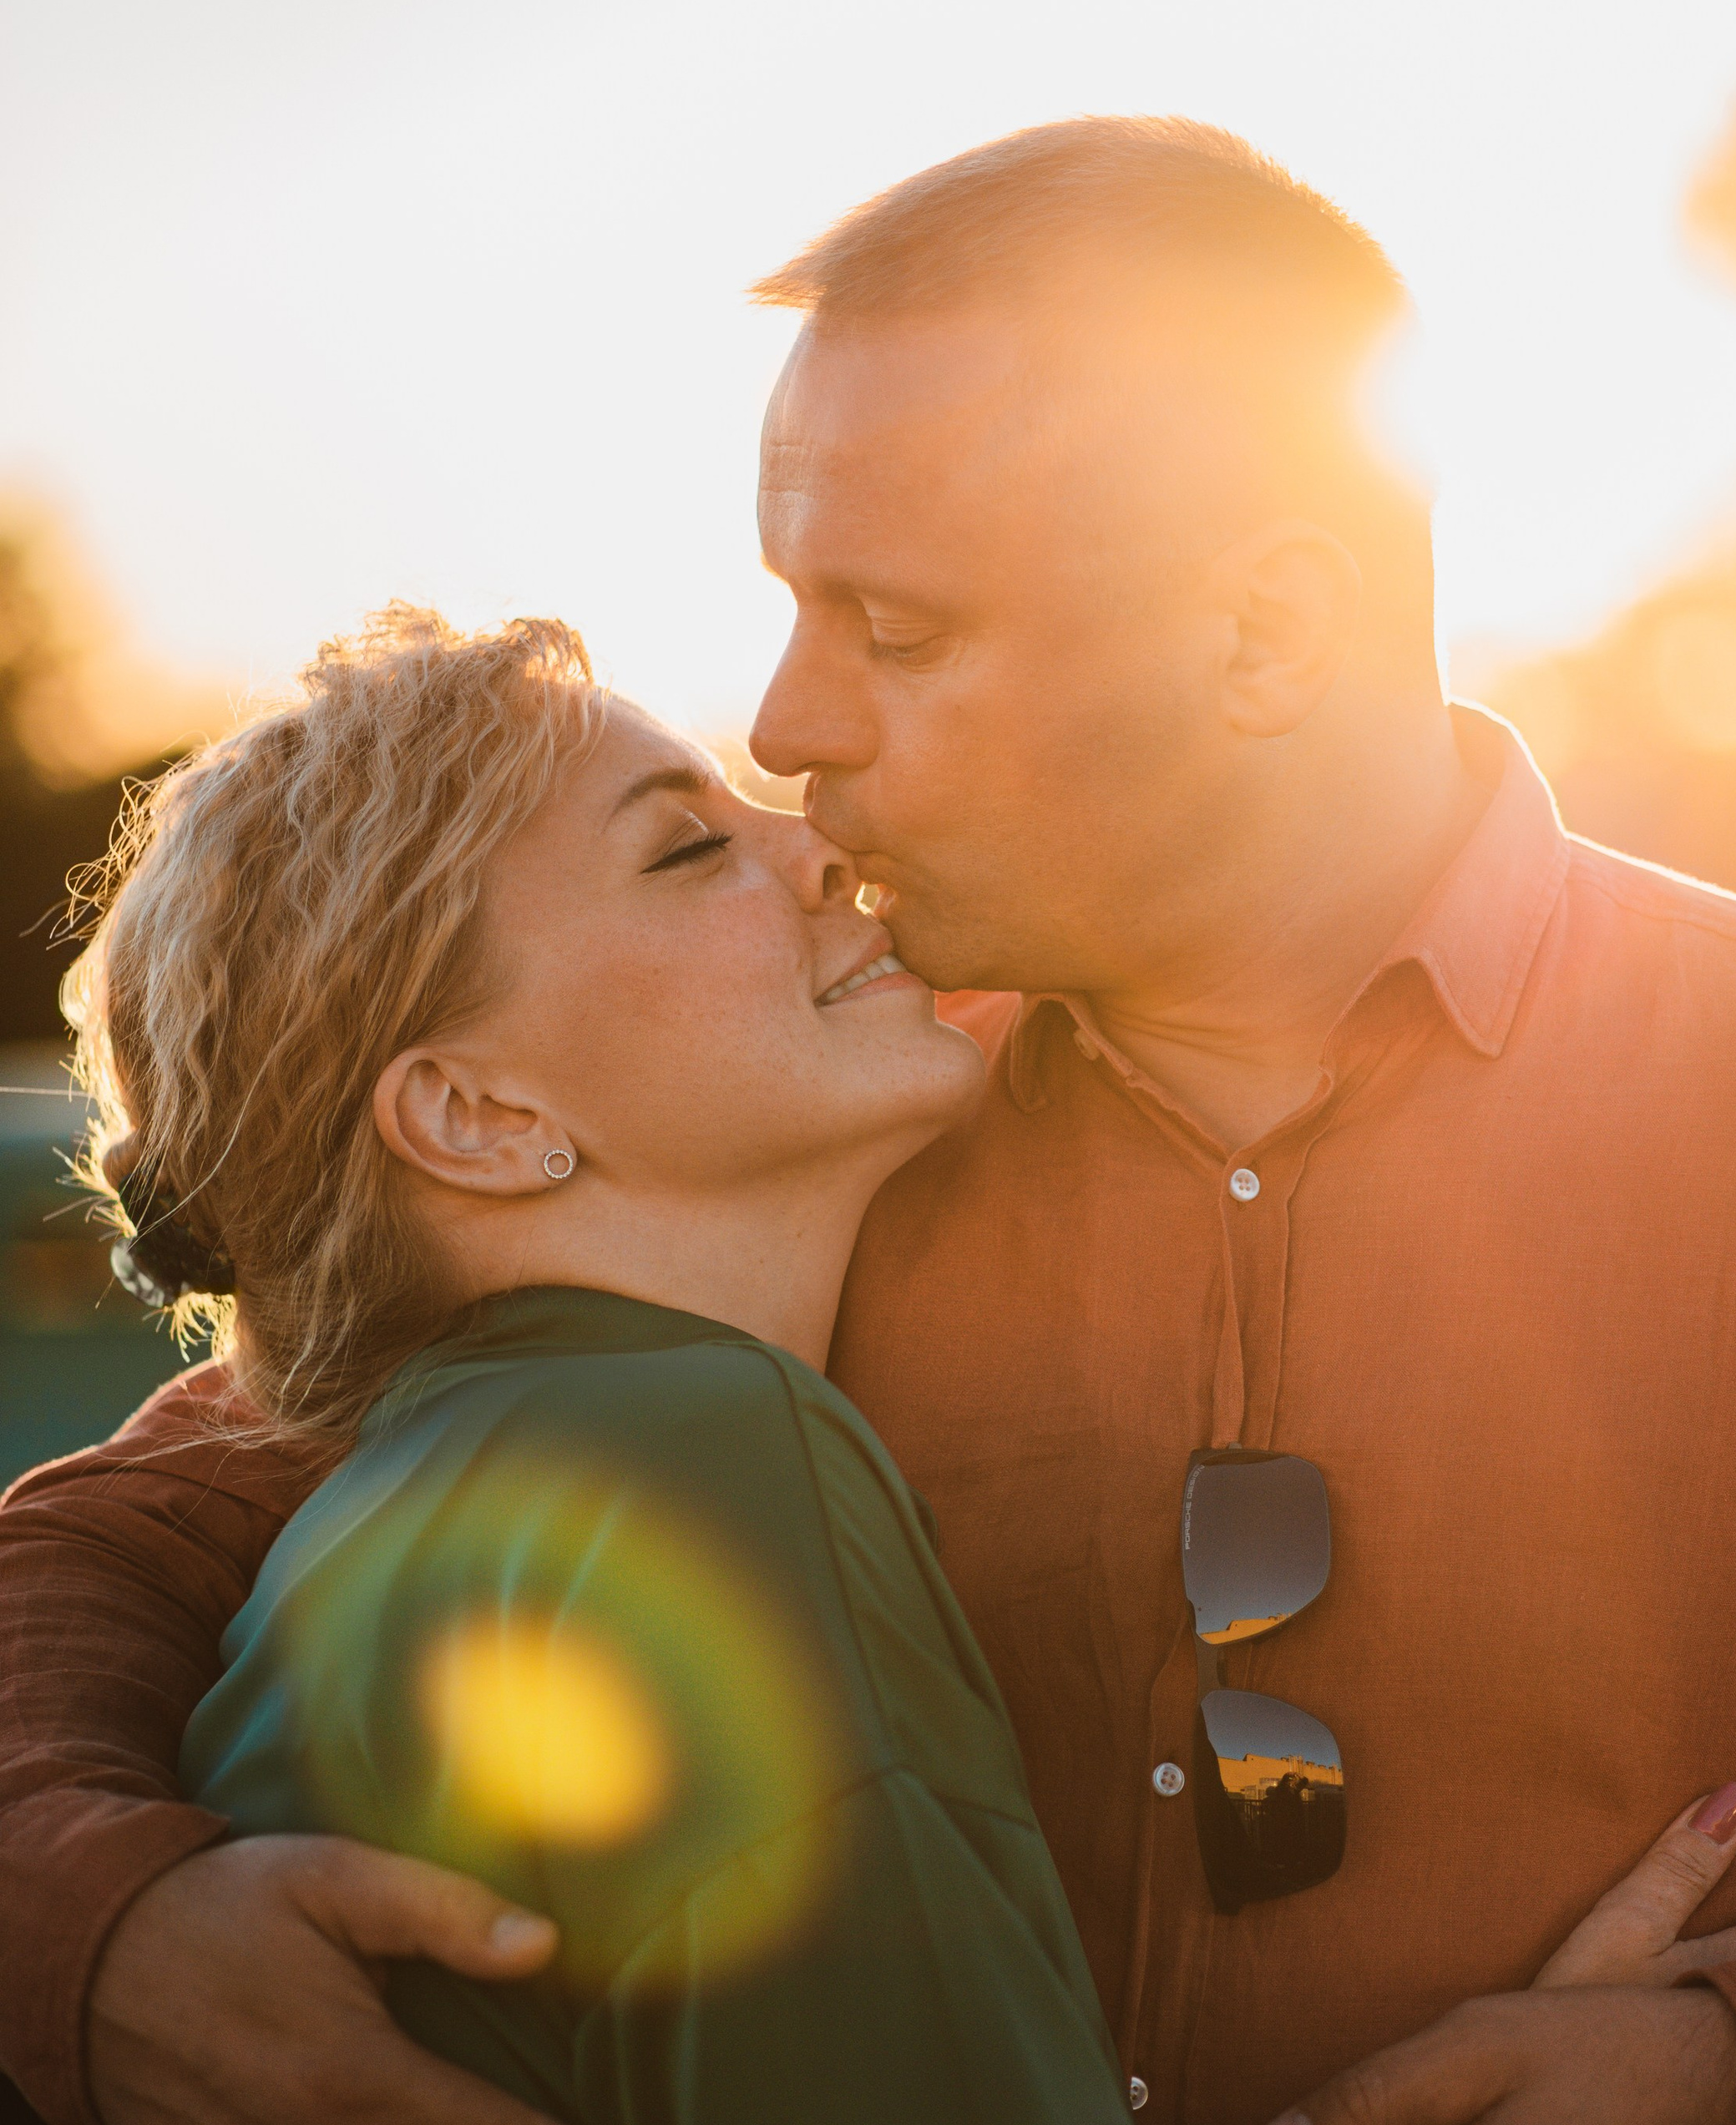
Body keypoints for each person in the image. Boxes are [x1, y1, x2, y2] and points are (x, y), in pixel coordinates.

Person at [3, 118, 1736, 2125]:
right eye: (791, 597)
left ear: (1265, 628)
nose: (786, 720)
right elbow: (120, 1540)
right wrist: (95, 1926)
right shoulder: (781, 1113)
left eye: (894, 627)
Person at [21, 608, 1131, 2123]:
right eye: (688, 851)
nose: (819, 850)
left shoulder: (393, 1518)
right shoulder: (705, 1454)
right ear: (472, 1115)